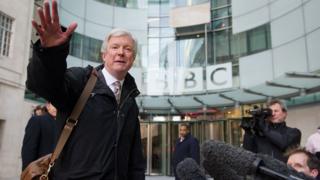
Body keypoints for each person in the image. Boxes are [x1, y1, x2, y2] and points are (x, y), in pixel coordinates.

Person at [26, 0, 145, 179]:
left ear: (133, 58)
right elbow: (43, 85)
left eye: (127, 49)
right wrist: (51, 53)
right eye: (115, 47)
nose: (121, 52)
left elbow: (135, 160)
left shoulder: (130, 101)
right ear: (104, 55)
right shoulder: (81, 80)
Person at [21, 102, 58, 170]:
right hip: (41, 171)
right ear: (48, 106)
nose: (56, 108)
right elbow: (28, 150)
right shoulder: (37, 120)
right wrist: (27, 174)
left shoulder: (66, 124)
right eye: (54, 105)